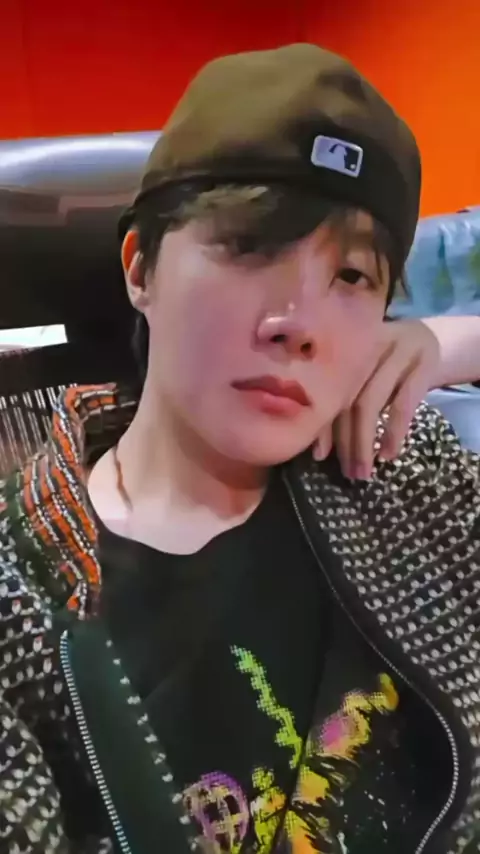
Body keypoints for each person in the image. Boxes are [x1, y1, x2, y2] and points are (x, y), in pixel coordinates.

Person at [2, 43, 480, 854]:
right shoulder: (22, 599)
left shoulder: (403, 468)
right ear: (140, 268)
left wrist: (451, 342)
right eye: (251, 247)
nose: (299, 324)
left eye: (353, 278)